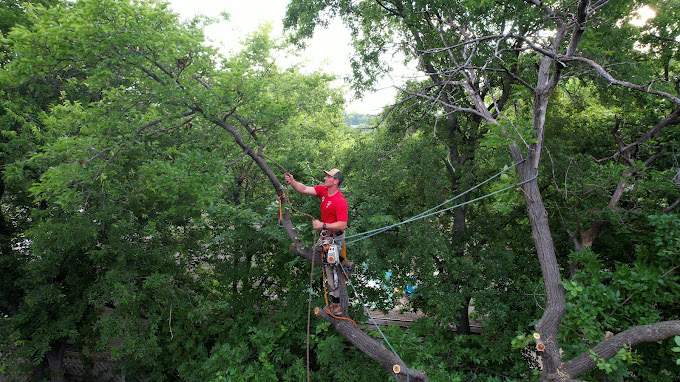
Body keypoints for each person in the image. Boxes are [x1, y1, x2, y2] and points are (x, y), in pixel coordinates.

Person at [284, 168, 353, 316]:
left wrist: (323, 225)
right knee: (318, 253)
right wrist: (292, 181)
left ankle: (336, 306)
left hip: (334, 237)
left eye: (328, 176)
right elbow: (303, 189)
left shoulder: (340, 201)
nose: (325, 178)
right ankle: (343, 261)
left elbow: (342, 224)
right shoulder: (323, 191)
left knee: (329, 269)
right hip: (325, 235)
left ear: (336, 181)